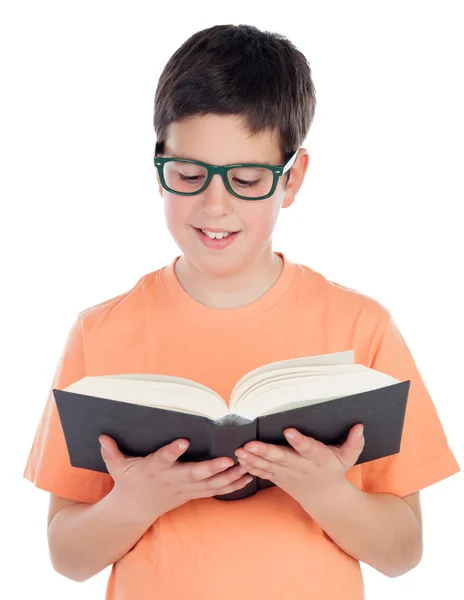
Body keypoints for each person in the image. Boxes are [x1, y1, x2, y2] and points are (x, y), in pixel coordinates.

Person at [23, 23, 460, 600]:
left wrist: (328, 493)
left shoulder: (362, 327)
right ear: (159, 168)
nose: (214, 205)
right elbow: (67, 558)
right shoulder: (101, 332)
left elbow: (404, 554)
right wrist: (137, 501)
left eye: (248, 179)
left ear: (292, 178)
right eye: (188, 175)